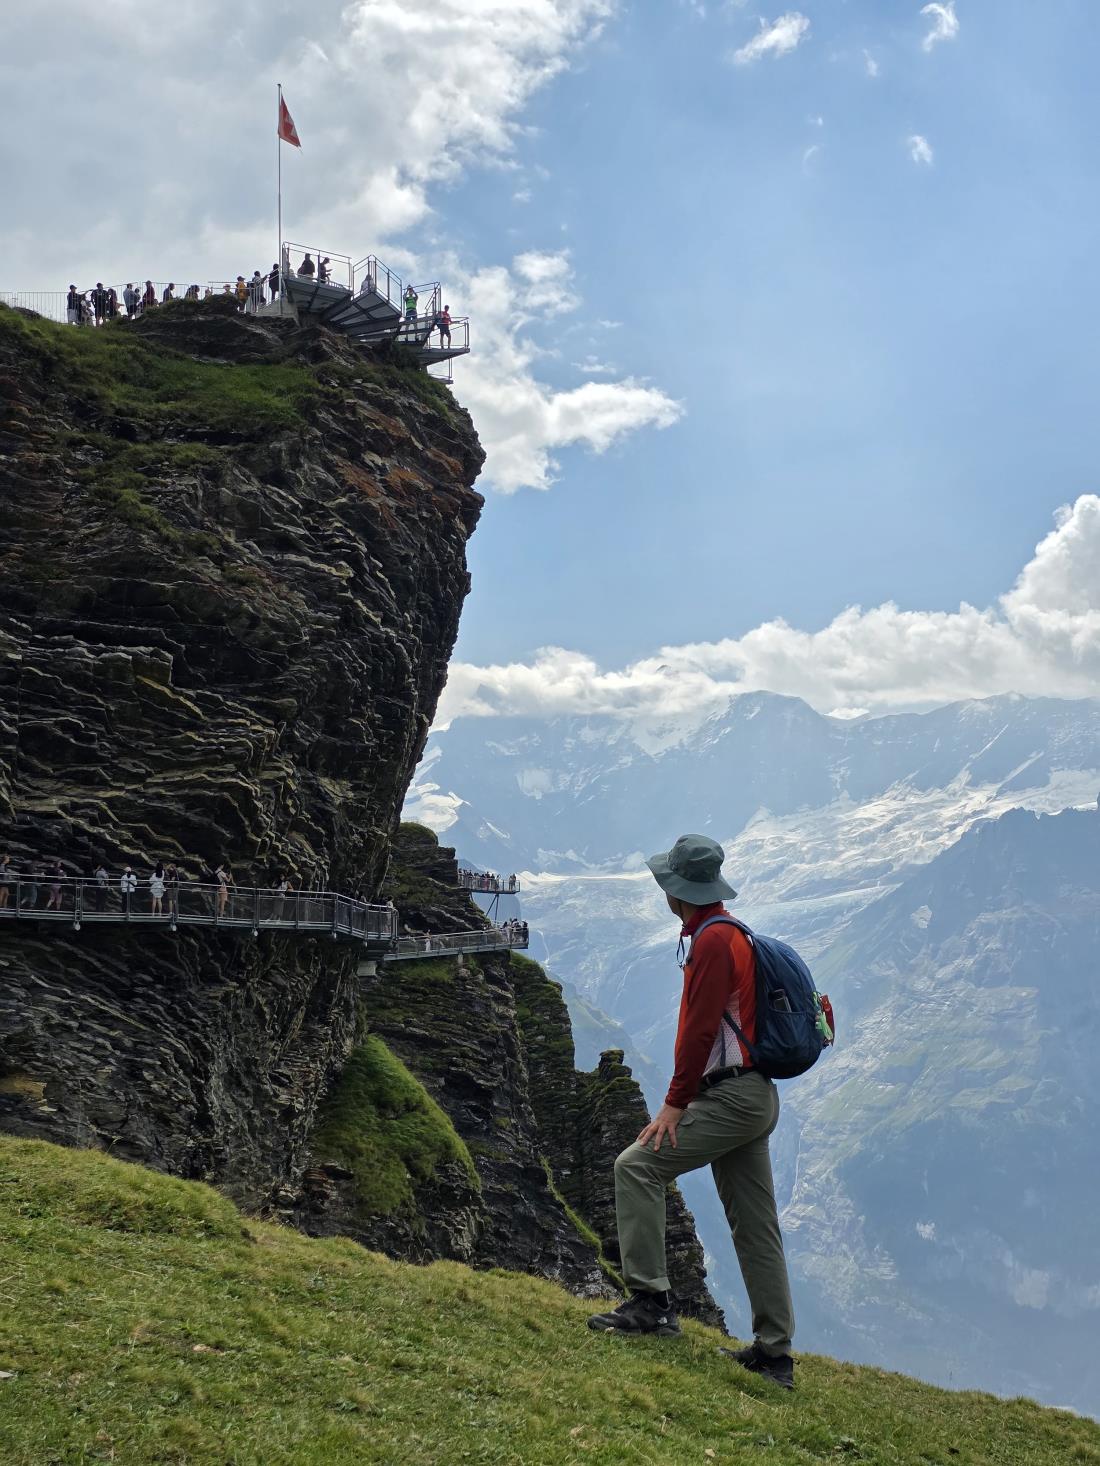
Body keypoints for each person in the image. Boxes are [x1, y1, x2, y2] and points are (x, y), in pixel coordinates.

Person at [586, 833, 797, 1392]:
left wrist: (675, 1104)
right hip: (756, 1096)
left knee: (636, 1166)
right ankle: (775, 1355)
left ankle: (650, 1305)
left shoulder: (712, 941)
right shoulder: (732, 933)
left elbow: (700, 1032)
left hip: (729, 1097)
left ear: (676, 889)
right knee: (755, 1225)